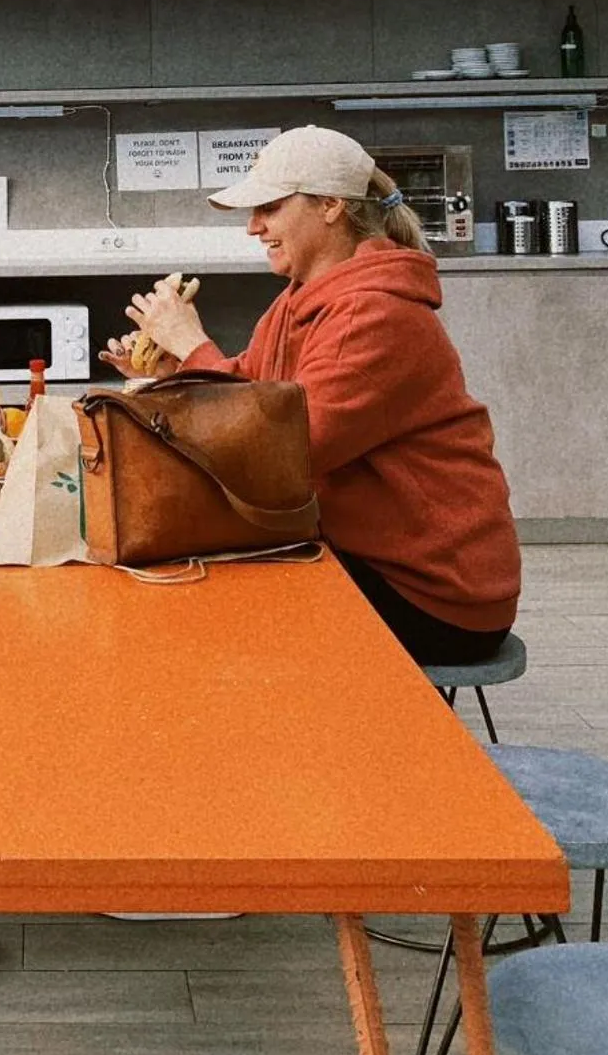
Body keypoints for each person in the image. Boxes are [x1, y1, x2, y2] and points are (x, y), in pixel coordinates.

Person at [101, 124, 520, 665]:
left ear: (330, 206)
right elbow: (255, 391)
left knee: (202, 612)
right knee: (189, 588)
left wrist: (192, 343)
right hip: (371, 555)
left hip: (436, 593)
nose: (253, 227)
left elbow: (283, 455)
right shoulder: (299, 300)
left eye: (270, 208)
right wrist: (174, 368)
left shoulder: (375, 313)